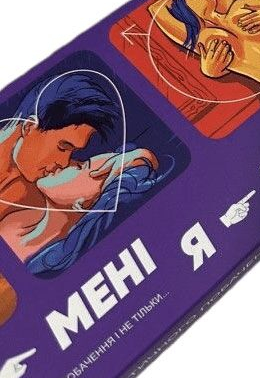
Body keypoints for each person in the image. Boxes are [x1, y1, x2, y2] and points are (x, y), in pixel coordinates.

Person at [0, 146, 165, 274]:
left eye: (81, 167)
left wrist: (140, 157)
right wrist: (142, 155)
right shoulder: (18, 217)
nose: (67, 162)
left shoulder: (48, 264)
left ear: (83, 203)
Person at [0, 72, 119, 226]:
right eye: (62, 148)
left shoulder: (45, 192)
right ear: (29, 127)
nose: (64, 163)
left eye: (72, 152)